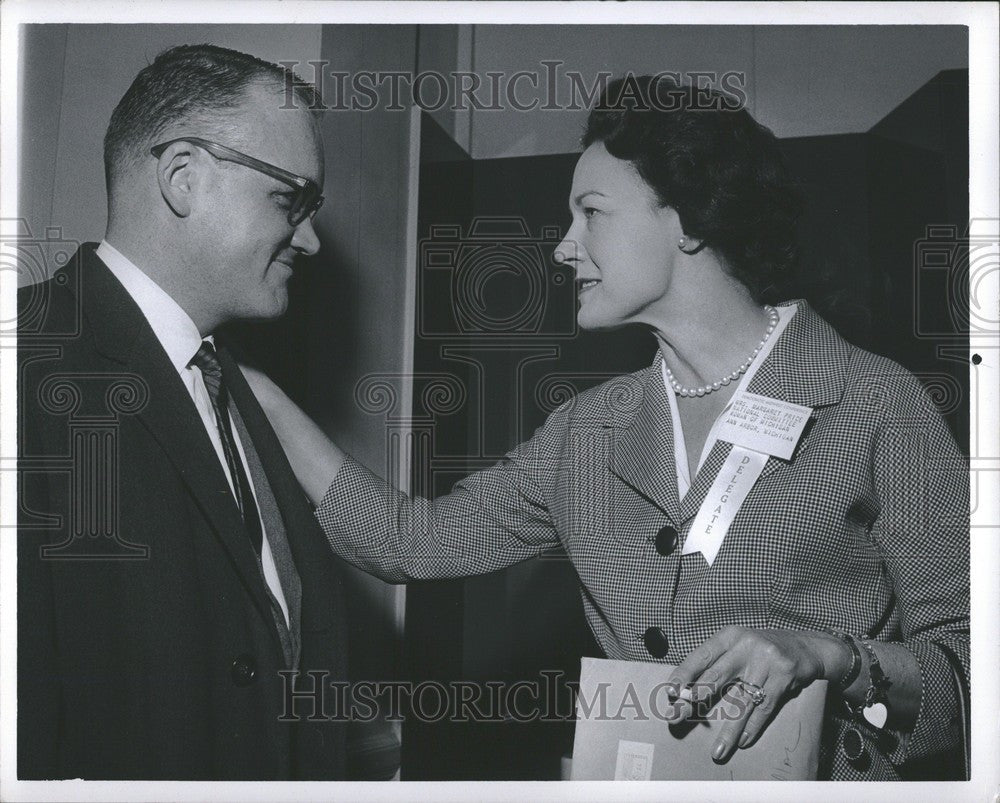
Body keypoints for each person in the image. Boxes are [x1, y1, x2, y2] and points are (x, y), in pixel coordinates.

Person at [244, 75, 969, 780]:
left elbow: (972, 670)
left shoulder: (874, 401)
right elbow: (410, 540)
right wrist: (258, 393)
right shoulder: (586, 431)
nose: (563, 247)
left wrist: (833, 658)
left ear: (686, 218)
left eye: (591, 211)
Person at [17, 44, 352, 780]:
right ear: (183, 178)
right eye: (289, 199)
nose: (311, 238)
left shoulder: (234, 387)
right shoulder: (24, 362)